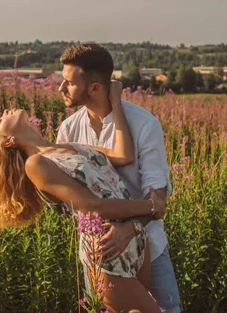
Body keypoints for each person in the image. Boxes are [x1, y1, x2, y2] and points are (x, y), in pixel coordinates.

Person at [0, 83, 163, 312]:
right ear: (8, 141)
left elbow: (124, 155)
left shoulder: (67, 146)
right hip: (108, 253)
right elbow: (93, 207)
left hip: (134, 238)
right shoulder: (36, 165)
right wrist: (150, 205)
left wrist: (115, 102)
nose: (5, 112)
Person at [56, 43, 182, 313]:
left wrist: (129, 227)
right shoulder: (68, 129)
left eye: (69, 83)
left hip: (150, 246)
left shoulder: (144, 124)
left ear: (94, 88)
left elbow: (157, 196)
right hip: (101, 254)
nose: (60, 88)